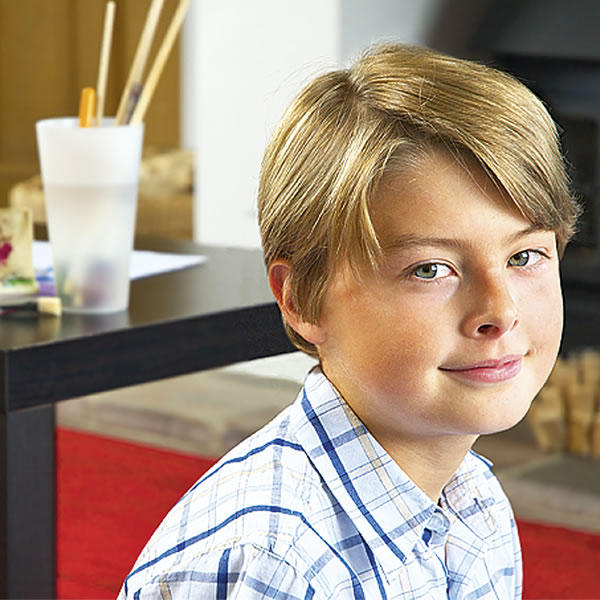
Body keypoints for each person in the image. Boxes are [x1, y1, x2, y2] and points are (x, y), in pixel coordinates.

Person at [119, 44, 580, 599]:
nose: (501, 312)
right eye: (430, 269)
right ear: (302, 300)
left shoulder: (475, 502)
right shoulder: (279, 565)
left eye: (524, 256)